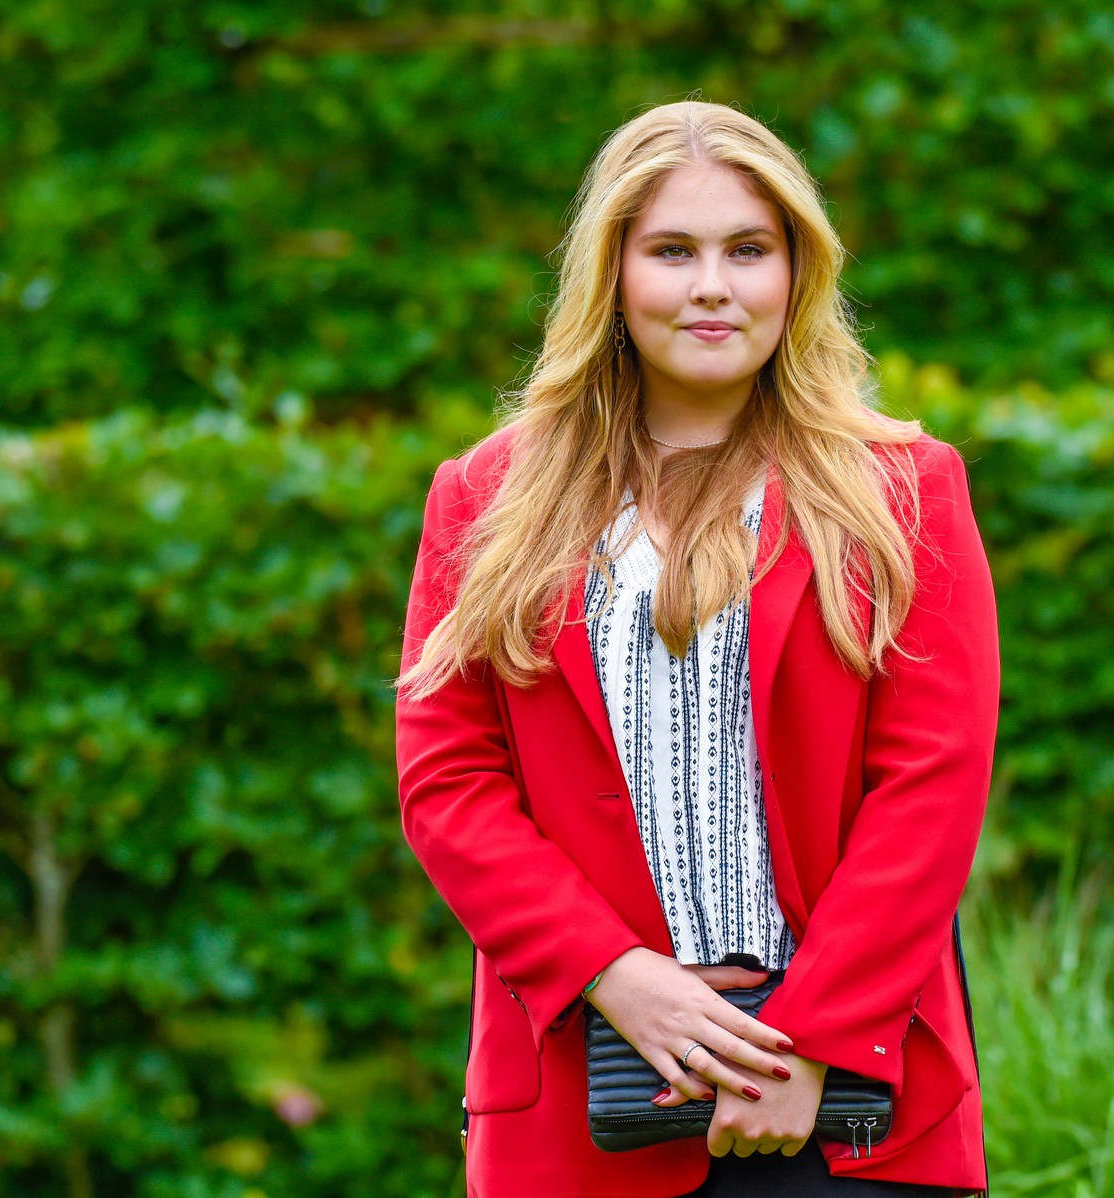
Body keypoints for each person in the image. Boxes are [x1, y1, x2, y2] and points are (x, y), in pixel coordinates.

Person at [393, 100, 999, 1198]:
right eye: (673, 251)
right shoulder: (485, 499)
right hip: (581, 1101)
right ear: (612, 277)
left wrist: (811, 1037)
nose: (713, 285)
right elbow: (450, 784)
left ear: (795, 273)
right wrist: (616, 976)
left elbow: (933, 784)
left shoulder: (906, 491)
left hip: (851, 1107)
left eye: (748, 250)